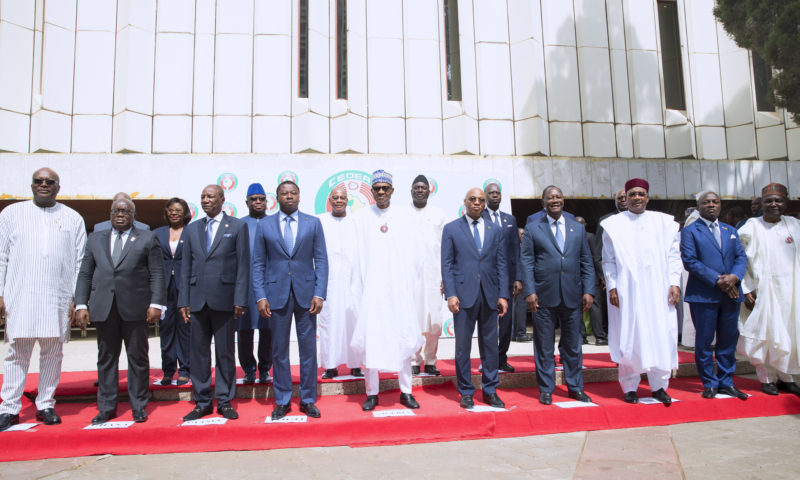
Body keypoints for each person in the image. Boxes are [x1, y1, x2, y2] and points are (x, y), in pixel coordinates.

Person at [0, 168, 86, 431]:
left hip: (57, 298)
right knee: (17, 353)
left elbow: (79, 263)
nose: (44, 184)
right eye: (39, 181)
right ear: (31, 185)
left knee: (53, 353)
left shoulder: (73, 218)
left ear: (58, 187)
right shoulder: (11, 214)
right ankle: (9, 408)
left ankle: (45, 404)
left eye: (50, 182)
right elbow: (1, 256)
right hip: (20, 296)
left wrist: (76, 299)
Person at [74, 198, 166, 424]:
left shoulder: (147, 237)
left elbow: (157, 273)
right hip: (104, 308)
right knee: (106, 359)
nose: (120, 214)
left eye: (125, 211)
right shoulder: (95, 239)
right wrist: (81, 304)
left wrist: (156, 304)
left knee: (138, 358)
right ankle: (106, 407)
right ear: (110, 213)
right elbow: (85, 273)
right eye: (116, 210)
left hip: (136, 309)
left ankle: (139, 406)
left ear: (133, 214)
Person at [601, 178, 681, 405]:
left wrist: (674, 283)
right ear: (625, 198)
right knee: (630, 335)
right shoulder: (613, 224)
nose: (636, 198)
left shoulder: (664, 223)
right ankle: (630, 387)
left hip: (659, 290)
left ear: (648, 197)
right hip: (628, 290)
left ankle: (659, 386)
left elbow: (674, 256)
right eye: (632, 194)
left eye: (641, 194)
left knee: (660, 334)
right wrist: (613, 286)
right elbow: (609, 260)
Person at [253, 181, 328, 420]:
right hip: (276, 295)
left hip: (307, 296)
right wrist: (261, 295)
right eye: (284, 193)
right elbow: (258, 263)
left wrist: (319, 293)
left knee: (308, 350)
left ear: (299, 196)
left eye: (293, 193)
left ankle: (307, 399)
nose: (289, 196)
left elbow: (322, 261)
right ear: (277, 198)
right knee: (279, 350)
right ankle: (283, 399)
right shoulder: (264, 225)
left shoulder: (312, 223)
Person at [351, 170, 424, 411]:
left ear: (392, 190)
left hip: (398, 290)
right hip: (372, 291)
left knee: (402, 337)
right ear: (371, 191)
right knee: (372, 339)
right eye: (377, 188)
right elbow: (357, 258)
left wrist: (408, 287)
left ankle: (406, 391)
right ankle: (372, 392)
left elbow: (415, 255)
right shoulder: (361, 218)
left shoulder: (405, 216)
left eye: (385, 188)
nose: (381, 192)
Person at [179, 185, 249, 421]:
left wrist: (240, 299)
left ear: (222, 199)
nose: (205, 200)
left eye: (210, 196)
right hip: (197, 300)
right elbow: (185, 267)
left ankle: (225, 400)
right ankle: (202, 402)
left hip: (225, 300)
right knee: (198, 354)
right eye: (202, 197)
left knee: (225, 353)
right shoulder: (191, 229)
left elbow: (243, 266)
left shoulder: (238, 226)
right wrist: (183, 301)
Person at [521, 187, 595, 405]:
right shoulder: (534, 228)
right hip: (543, 296)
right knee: (544, 345)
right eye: (550, 198)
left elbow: (586, 261)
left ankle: (575, 387)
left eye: (558, 197)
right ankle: (546, 389)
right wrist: (530, 291)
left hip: (572, 294)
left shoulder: (577, 228)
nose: (555, 200)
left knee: (573, 345)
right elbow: (526, 262)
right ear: (543, 202)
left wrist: (589, 290)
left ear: (563, 200)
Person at [442, 187, 509, 409]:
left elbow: (501, 264)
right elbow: (447, 265)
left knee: (490, 346)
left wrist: (503, 295)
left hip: (490, 295)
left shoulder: (495, 229)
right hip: (463, 296)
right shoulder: (452, 229)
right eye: (473, 199)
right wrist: (451, 294)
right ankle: (466, 391)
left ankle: (490, 390)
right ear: (465, 202)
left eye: (481, 200)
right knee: (462, 347)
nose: (477, 203)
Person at [680, 191, 748, 399]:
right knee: (705, 340)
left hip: (731, 293)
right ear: (699, 206)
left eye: (715, 202)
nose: (711, 205)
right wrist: (719, 280)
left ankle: (726, 381)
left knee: (728, 340)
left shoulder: (730, 230)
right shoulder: (690, 231)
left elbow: (741, 257)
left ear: (720, 206)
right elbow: (690, 261)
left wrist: (734, 277)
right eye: (706, 202)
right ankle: (709, 382)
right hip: (704, 295)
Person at [737, 183, 800, 396]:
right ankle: (767, 378)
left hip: (792, 292)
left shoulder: (794, 225)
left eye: (778, 200)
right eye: (769, 201)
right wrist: (746, 289)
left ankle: (786, 377)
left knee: (789, 334)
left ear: (786, 203)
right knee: (766, 334)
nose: (773, 204)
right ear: (761, 204)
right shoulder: (750, 227)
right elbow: (739, 261)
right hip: (764, 292)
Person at [318, 186, 363, 380]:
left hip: (353, 280)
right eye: (335, 197)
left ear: (347, 200)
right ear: (329, 199)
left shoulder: (356, 222)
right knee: (329, 323)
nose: (338, 201)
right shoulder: (320, 220)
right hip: (329, 281)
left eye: (342, 198)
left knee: (354, 321)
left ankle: (356, 365)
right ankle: (330, 365)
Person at [409, 174, 447, 376]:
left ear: (429, 191)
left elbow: (445, 248)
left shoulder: (439, 215)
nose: (420, 190)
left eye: (424, 187)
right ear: (411, 190)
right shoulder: (403, 214)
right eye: (417, 187)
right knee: (414, 319)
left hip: (434, 275)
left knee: (434, 320)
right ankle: (414, 360)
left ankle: (431, 360)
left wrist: (445, 278)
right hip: (411, 277)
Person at [153, 198, 192, 386]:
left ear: (184, 212)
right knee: (166, 329)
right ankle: (168, 370)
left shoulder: (192, 232)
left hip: (186, 288)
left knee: (185, 329)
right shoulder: (157, 234)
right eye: (170, 210)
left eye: (178, 210)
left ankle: (185, 369)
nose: (174, 213)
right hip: (164, 288)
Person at [484, 182, 521, 372]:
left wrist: (518, 278)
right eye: (491, 193)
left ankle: (501, 358)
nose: (495, 196)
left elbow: (516, 249)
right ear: (485, 196)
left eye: (498, 193)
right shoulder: (478, 218)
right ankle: (488, 361)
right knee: (488, 322)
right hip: (487, 278)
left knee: (506, 322)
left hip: (507, 278)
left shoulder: (510, 220)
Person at [238, 183, 272, 384]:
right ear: (247, 202)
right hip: (245, 286)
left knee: (268, 330)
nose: (258, 202)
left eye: (261, 199)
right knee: (244, 331)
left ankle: (265, 369)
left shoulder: (274, 223)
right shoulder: (239, 225)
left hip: (269, 286)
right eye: (254, 199)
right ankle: (249, 369)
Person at [576, 216, 607, 345]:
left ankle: (582, 336)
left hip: (581, 277)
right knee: (594, 306)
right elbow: (596, 257)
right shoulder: (590, 236)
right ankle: (599, 336)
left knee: (582, 307)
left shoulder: (575, 236)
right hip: (589, 277)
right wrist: (601, 276)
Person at [511, 227, 532, 342]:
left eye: (524, 234)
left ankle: (516, 333)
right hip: (519, 281)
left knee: (518, 307)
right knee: (519, 307)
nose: (523, 236)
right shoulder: (516, 249)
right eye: (521, 234)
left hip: (522, 280)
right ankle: (520, 333)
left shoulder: (526, 247)